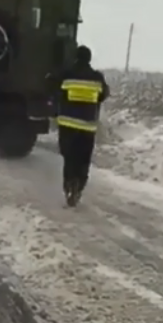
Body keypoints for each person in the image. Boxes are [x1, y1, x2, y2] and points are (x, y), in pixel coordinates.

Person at [50, 45, 110, 206]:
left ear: (76, 57)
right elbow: (103, 95)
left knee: (69, 157)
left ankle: (69, 184)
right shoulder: (97, 77)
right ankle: (79, 185)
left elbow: (55, 89)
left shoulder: (67, 74)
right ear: (89, 59)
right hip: (87, 126)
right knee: (83, 159)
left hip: (68, 124)